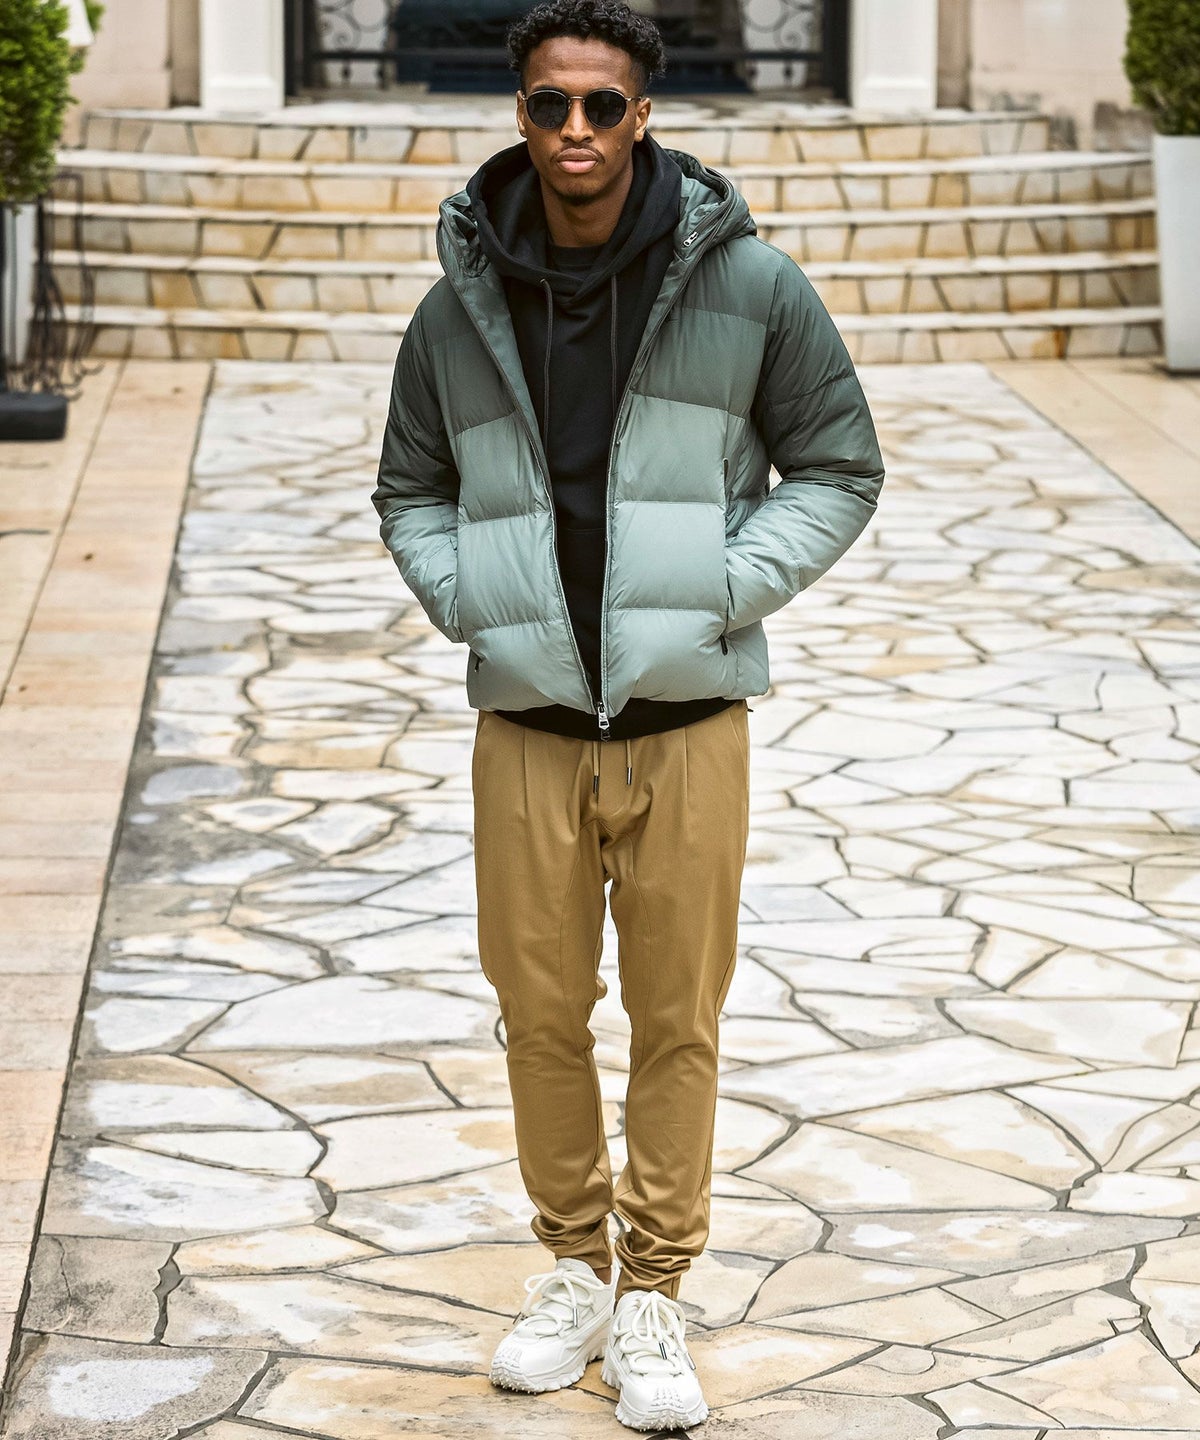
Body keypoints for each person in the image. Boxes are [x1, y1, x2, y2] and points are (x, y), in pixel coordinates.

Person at [372, 0, 885, 1429]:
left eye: (603, 105)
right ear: (520, 114)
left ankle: (654, 1286)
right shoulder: (458, 307)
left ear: (644, 114)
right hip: (528, 729)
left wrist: (723, 586)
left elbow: (840, 465)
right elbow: (409, 485)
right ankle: (571, 1270)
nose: (576, 130)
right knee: (539, 1015)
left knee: (677, 1017)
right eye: (551, 104)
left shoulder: (751, 286)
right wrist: (472, 596)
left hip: (688, 720)